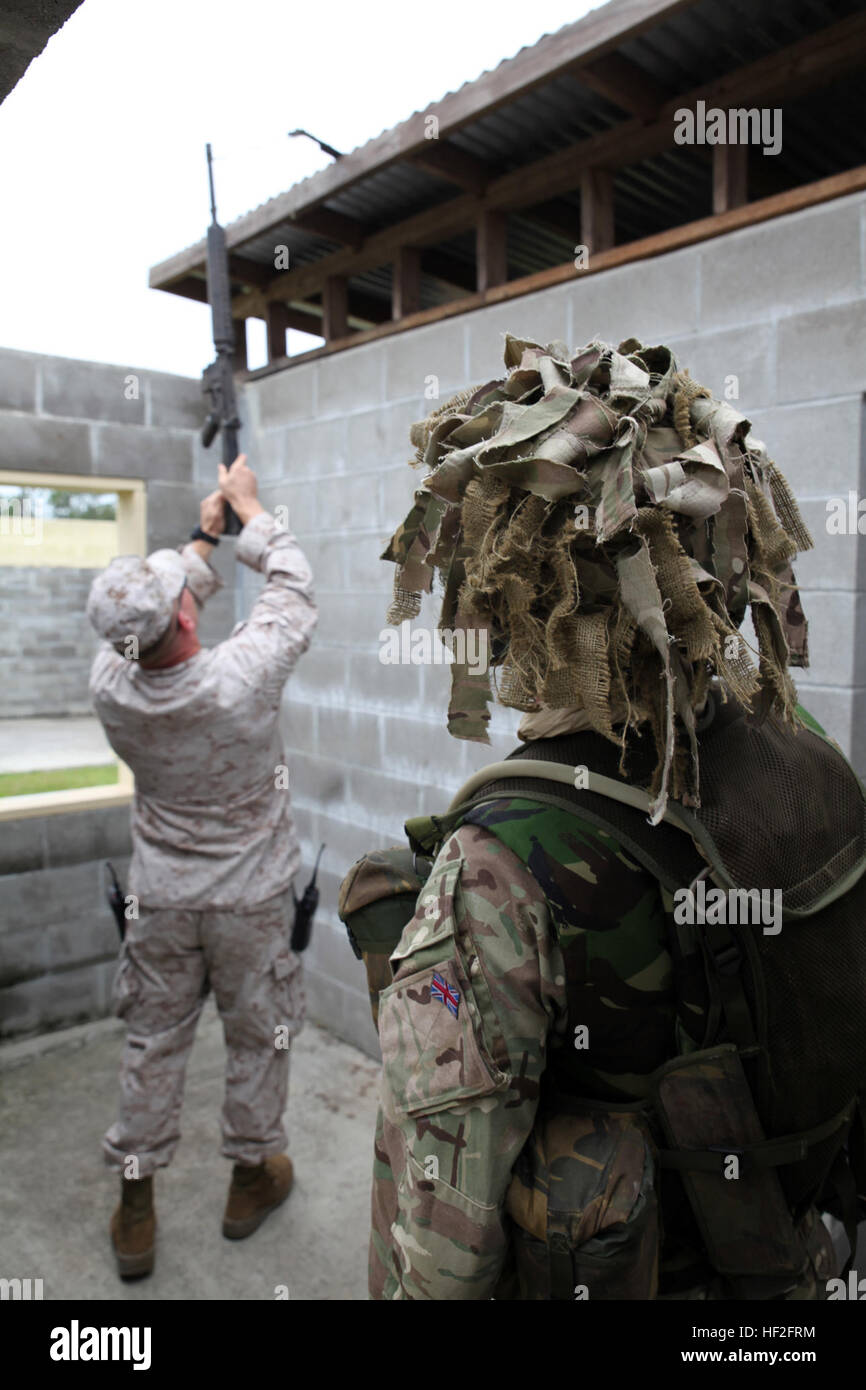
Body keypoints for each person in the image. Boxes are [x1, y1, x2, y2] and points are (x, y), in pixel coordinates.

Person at [360, 334, 866, 1300]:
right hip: (796, 1261)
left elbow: (440, 1244)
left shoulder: (498, 866)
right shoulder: (805, 746)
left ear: (507, 587)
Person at [86, 457, 317, 1279]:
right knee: (259, 1037)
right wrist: (253, 510)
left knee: (152, 1041)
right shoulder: (236, 681)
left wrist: (201, 536)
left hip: (160, 900)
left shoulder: (111, 681)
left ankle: (136, 1208)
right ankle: (251, 1178)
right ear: (186, 620)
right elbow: (293, 590)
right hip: (249, 903)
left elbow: (155, 614)